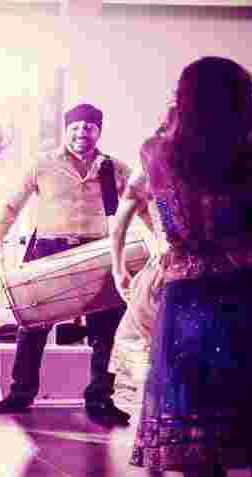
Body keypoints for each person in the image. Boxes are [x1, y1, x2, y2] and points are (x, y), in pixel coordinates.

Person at [127, 56, 252, 477]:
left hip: (189, 297)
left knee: (197, 429)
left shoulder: (157, 153)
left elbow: (163, 214)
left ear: (183, 98)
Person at [0, 103, 133, 425]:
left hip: (97, 251)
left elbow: (143, 203)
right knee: (33, 327)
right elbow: (12, 204)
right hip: (48, 248)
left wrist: (163, 242)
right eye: (76, 127)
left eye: (89, 127)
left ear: (99, 131)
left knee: (107, 329)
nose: (83, 132)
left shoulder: (114, 168)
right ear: (66, 130)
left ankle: (100, 399)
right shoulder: (42, 165)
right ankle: (20, 393)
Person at [107, 107, 175, 405]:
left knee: (141, 344)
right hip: (222, 272)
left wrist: (118, 268)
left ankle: (147, 410)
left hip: (168, 270)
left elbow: (118, 228)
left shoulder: (149, 169)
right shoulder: (231, 166)